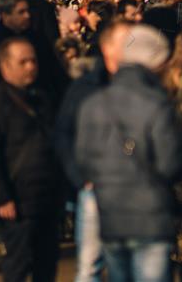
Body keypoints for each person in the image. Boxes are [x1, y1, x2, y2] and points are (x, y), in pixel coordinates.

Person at [75, 25, 182, 282]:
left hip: (110, 213)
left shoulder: (93, 103)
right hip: (152, 215)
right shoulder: (158, 104)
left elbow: (83, 157)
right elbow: (171, 163)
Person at [0, 37, 62, 282]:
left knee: (47, 264)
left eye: (33, 60)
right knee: (18, 265)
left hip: (46, 199)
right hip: (16, 202)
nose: (31, 66)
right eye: (23, 62)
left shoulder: (43, 98)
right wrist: (0, 197)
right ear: (5, 66)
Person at [56, 22, 132, 282]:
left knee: (124, 265)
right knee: (90, 265)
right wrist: (79, 177)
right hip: (93, 188)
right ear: (107, 48)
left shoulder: (141, 84)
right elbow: (64, 132)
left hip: (133, 187)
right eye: (124, 43)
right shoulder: (85, 87)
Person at [0, 0, 67, 116]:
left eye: (28, 11)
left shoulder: (39, 42)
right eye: (21, 12)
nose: (27, 16)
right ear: (5, 15)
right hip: (0, 113)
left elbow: (54, 76)